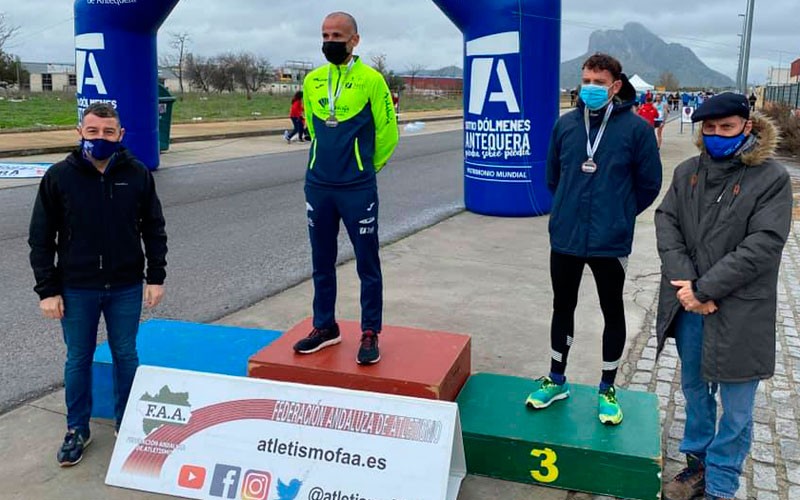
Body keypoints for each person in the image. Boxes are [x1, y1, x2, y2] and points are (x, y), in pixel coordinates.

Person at [655, 92, 792, 500]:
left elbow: (763, 245)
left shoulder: (771, 179)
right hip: (691, 307)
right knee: (696, 390)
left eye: (726, 127)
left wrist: (705, 289)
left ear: (747, 126)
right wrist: (686, 284)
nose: (716, 135)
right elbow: (667, 223)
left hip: (741, 314)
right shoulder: (686, 173)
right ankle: (697, 464)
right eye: (709, 128)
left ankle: (721, 484)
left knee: (736, 408)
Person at [526, 53, 663, 425]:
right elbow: (553, 177)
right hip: (567, 237)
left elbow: (650, 184)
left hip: (610, 240)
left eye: (598, 83)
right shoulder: (565, 126)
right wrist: (570, 209)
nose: (590, 88)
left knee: (612, 310)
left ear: (616, 86)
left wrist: (618, 214)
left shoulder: (636, 130)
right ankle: (556, 379)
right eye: (585, 81)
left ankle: (607, 388)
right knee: (562, 306)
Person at [28, 102, 168, 467]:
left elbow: (153, 227)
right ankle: (77, 428)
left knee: (126, 354)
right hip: (77, 287)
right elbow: (41, 238)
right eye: (93, 132)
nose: (100, 138)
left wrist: (156, 276)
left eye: (108, 132)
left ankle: (127, 421)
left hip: (125, 286)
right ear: (80, 132)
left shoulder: (137, 173)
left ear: (120, 135)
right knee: (78, 358)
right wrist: (47, 289)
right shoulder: (59, 177)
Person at [292, 11, 399, 365]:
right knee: (321, 261)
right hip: (319, 185)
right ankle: (325, 327)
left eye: (337, 35)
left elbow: (387, 132)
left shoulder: (372, 80)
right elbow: (311, 124)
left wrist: (366, 168)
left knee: (367, 263)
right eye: (325, 35)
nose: (330, 42)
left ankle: (370, 332)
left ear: (355, 40)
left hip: (357, 188)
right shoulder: (312, 81)